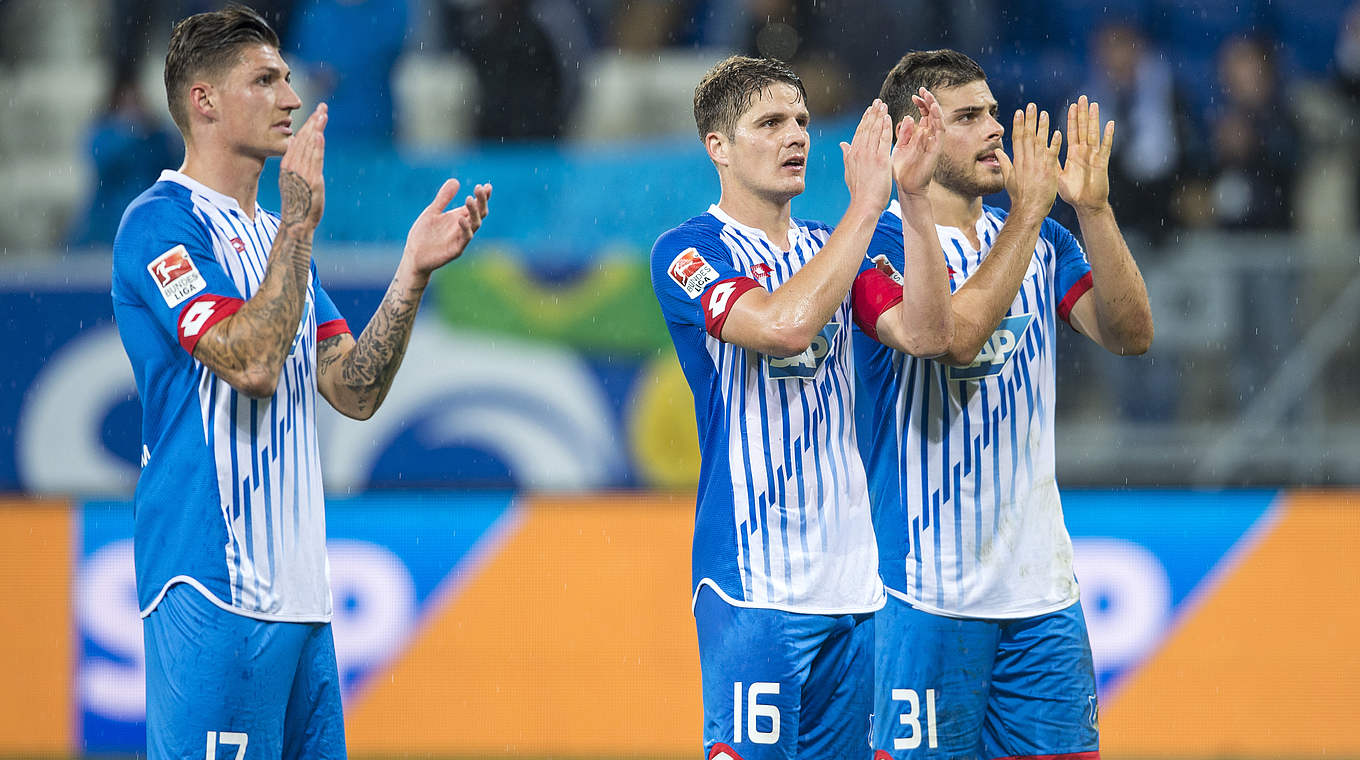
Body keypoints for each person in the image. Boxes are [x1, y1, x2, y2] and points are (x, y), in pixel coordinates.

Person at [109, 6, 491, 759]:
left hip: (300, 595)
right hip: (212, 586)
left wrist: (409, 275)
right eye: (266, 80)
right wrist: (299, 224)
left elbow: (353, 388)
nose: (292, 96)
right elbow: (248, 362)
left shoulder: (276, 238)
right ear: (203, 100)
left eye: (287, 78)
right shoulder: (161, 224)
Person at [649, 55, 950, 760]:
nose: (796, 137)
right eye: (771, 123)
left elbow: (931, 335)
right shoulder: (690, 251)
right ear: (717, 148)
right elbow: (782, 325)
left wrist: (914, 200)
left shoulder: (835, 245)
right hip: (754, 588)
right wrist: (868, 206)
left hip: (853, 588)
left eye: (804, 122)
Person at [856, 49, 1153, 759]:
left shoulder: (1045, 238)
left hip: (1041, 591)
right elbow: (950, 340)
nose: (996, 128)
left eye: (991, 110)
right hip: (926, 593)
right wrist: (1027, 216)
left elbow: (1130, 333)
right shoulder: (874, 244)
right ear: (915, 137)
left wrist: (1094, 210)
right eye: (968, 117)